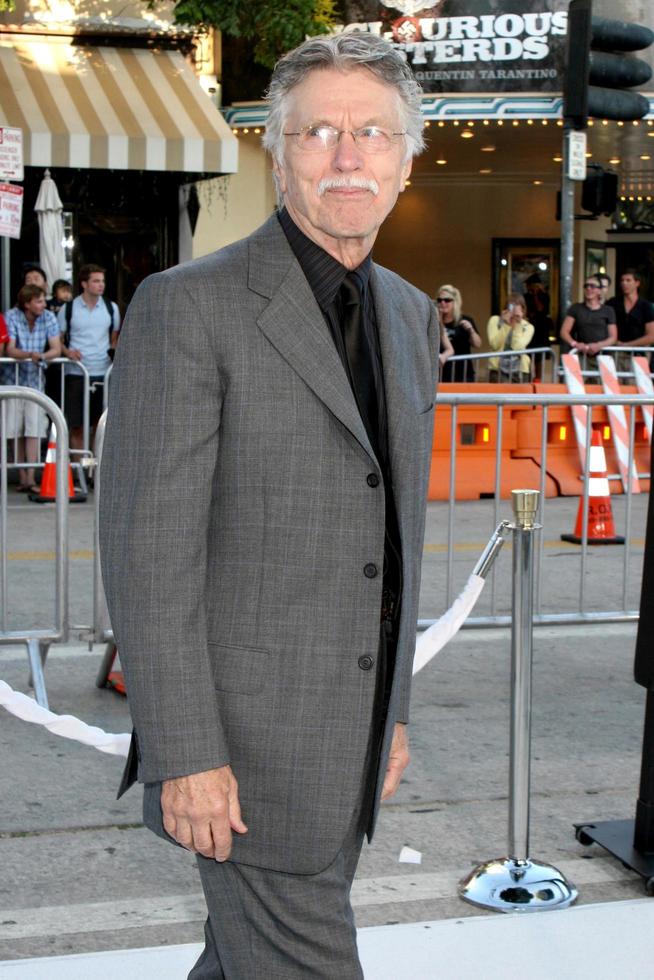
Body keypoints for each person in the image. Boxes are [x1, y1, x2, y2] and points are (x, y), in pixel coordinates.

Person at [100, 32, 438, 980]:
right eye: (318, 131)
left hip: (348, 746)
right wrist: (184, 753)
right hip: (240, 759)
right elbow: (149, 552)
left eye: (372, 133)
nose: (346, 155)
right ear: (277, 154)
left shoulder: (411, 316)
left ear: (406, 161)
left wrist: (393, 710)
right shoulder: (188, 308)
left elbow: (396, 536)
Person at [4, 285, 61, 493]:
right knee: (15, 429)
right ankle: (22, 477)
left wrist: (42, 357)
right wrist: (31, 355)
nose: (43, 304)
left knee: (35, 429)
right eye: (38, 301)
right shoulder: (11, 316)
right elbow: (9, 349)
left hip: (36, 382)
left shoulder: (48, 318)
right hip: (13, 380)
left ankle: (31, 476)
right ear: (27, 303)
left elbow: (56, 347)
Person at [58, 264, 120, 452]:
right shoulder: (68, 309)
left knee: (99, 425)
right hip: (76, 372)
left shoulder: (111, 308)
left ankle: (95, 472)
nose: (101, 285)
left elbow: (114, 339)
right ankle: (80, 472)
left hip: (103, 372)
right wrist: (68, 352)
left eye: (102, 281)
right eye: (96, 281)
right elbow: (58, 340)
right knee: (77, 425)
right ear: (84, 284)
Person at [559, 275, 617, 371]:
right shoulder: (576, 308)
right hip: (581, 355)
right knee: (579, 385)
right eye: (586, 286)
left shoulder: (608, 310)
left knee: (601, 385)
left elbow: (613, 337)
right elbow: (564, 331)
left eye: (592, 286)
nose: (589, 288)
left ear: (599, 290)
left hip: (603, 356)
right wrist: (575, 344)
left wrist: (599, 345)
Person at [608, 269, 654, 378]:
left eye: (628, 280)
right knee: (615, 388)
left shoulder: (645, 306)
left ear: (637, 283)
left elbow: (652, 336)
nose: (624, 283)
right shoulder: (612, 303)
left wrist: (626, 345)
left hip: (639, 354)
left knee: (636, 389)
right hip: (616, 354)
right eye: (622, 280)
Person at [436, 283, 481, 382]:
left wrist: (471, 331)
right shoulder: (435, 322)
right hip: (441, 374)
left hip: (462, 374)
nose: (442, 303)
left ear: (455, 302)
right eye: (439, 300)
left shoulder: (464, 320)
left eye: (447, 300)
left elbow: (477, 344)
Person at [487, 293, 534, 382]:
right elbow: (494, 345)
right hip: (498, 369)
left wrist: (517, 324)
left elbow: (517, 347)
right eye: (511, 307)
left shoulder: (528, 327)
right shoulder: (495, 321)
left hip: (520, 370)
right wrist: (506, 325)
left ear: (523, 311)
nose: (513, 314)